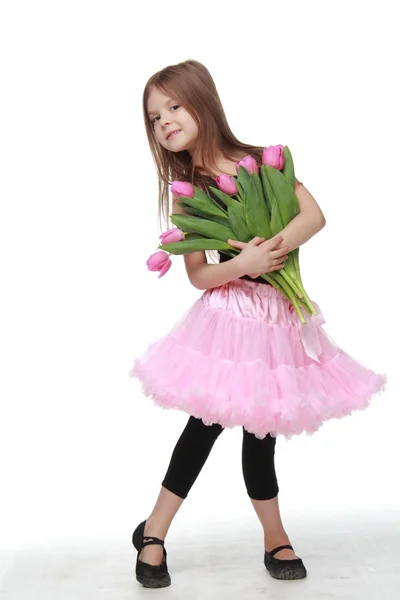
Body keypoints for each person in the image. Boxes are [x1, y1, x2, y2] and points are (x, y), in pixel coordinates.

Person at [128, 59, 387, 589]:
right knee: (204, 424)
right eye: (155, 118)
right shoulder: (190, 191)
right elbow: (199, 276)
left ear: (204, 102)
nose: (165, 122)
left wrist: (272, 250)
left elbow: (312, 216)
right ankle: (154, 530)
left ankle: (275, 536)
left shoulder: (257, 163)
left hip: (275, 319)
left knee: (261, 430)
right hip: (230, 320)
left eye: (174, 106)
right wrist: (241, 266)